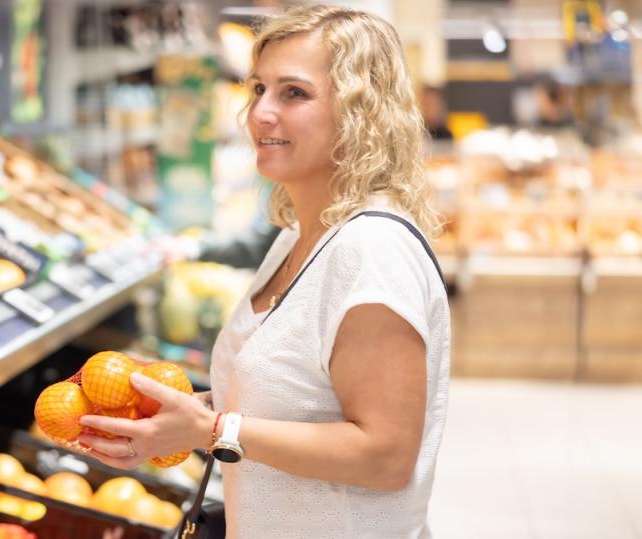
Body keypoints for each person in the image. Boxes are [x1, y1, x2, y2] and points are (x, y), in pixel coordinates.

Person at [79, 5, 451, 538]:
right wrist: (168, 417)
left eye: (293, 93)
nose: (260, 113)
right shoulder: (296, 239)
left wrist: (211, 429)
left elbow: (385, 456)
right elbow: (288, 403)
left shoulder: (372, 251)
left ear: (359, 112)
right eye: (258, 89)